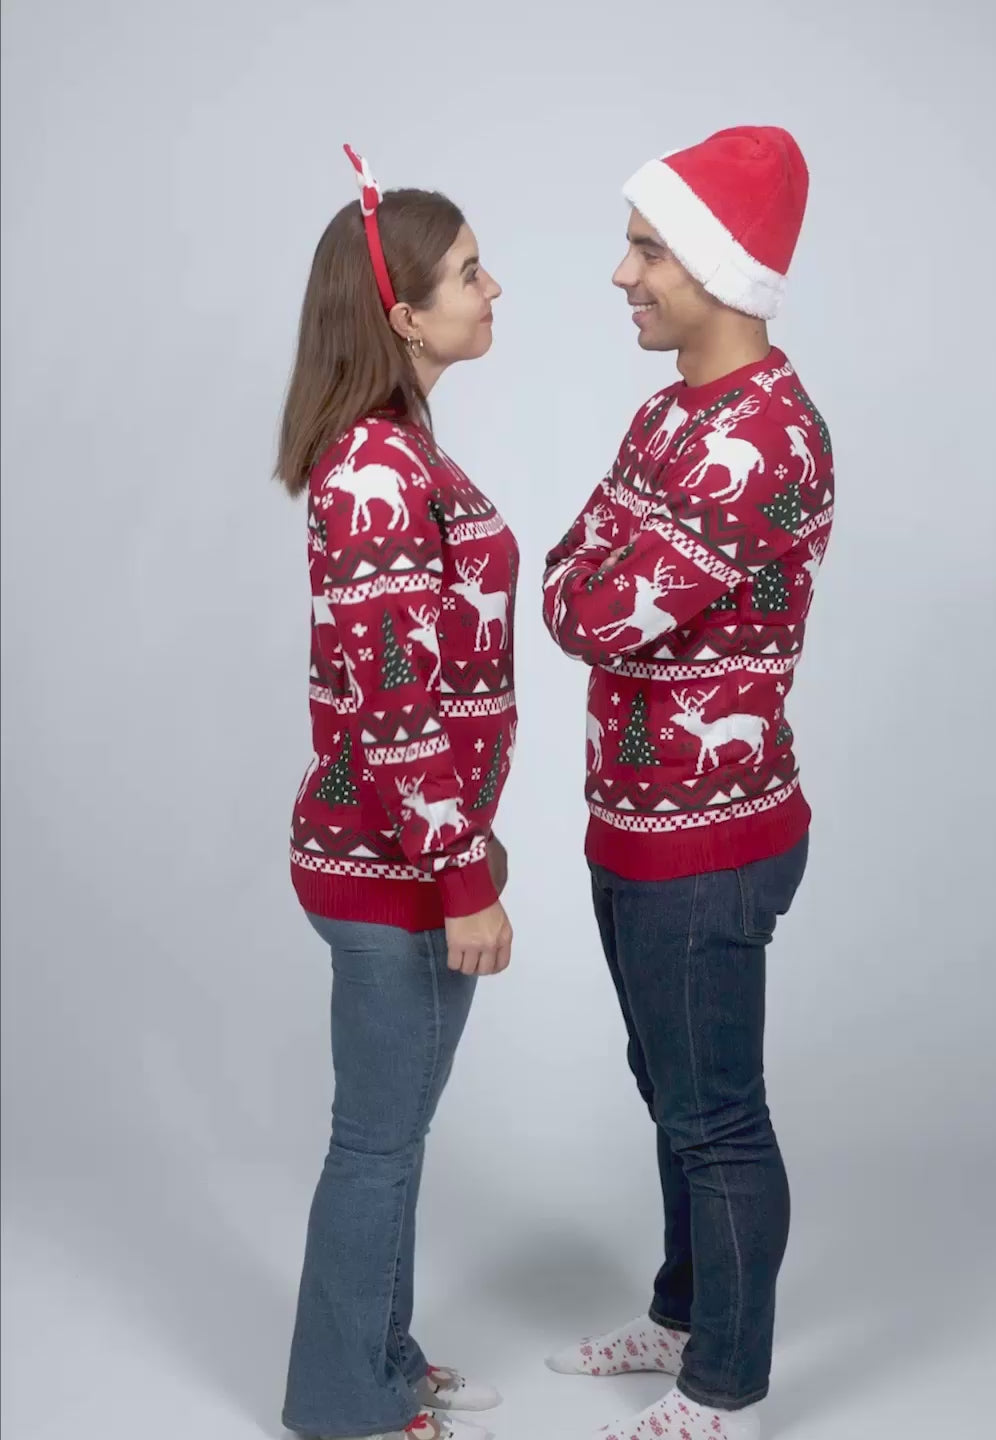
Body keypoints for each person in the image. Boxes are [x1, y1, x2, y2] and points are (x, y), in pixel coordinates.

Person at [541, 127, 833, 1440]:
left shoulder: (758, 443)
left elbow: (597, 615)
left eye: (649, 248)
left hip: (713, 840)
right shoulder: (668, 416)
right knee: (669, 1086)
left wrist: (608, 578)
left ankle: (726, 1391)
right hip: (636, 821)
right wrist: (605, 577)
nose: (623, 273)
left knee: (715, 1114)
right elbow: (572, 566)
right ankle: (681, 1312)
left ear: (720, 269)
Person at [275, 146, 516, 1440]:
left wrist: (466, 845)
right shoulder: (375, 470)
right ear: (404, 314)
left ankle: (382, 1353)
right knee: (376, 1143)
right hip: (390, 870)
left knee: (393, 1138)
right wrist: (462, 872)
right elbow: (395, 702)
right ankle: (341, 1406)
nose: (496, 287)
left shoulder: (399, 445)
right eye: (471, 271)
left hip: (408, 854)